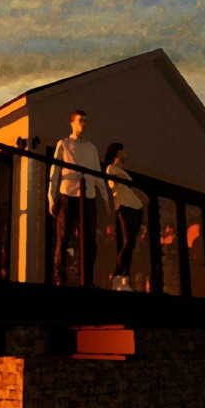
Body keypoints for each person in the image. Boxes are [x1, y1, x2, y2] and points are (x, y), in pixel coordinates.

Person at [49, 109, 111, 287]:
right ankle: (59, 277)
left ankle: (88, 279)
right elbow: (55, 172)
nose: (83, 124)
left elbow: (97, 173)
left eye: (85, 121)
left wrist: (105, 198)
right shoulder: (64, 144)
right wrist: (51, 197)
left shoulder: (91, 147)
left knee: (90, 239)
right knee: (63, 237)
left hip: (88, 196)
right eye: (80, 121)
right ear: (72, 123)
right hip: (68, 194)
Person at [104, 143, 148, 291]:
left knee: (131, 245)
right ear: (118, 152)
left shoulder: (123, 172)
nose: (126, 153)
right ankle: (118, 275)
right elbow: (116, 185)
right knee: (128, 242)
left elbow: (135, 190)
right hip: (124, 207)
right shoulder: (112, 169)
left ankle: (125, 278)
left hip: (135, 207)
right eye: (124, 150)